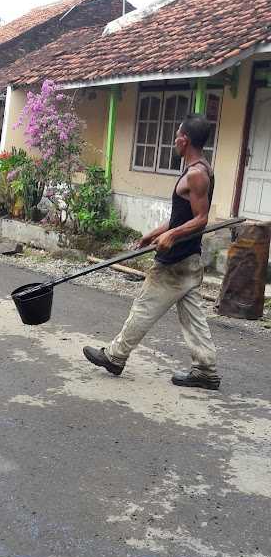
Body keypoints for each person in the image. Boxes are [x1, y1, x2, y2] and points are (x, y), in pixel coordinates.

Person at [83, 113, 220, 391]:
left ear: (184, 140)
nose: (174, 141)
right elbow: (182, 216)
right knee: (192, 314)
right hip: (189, 258)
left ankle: (115, 357)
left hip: (175, 261)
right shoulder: (201, 167)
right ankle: (206, 370)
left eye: (177, 136)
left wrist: (171, 235)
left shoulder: (195, 175)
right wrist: (156, 232)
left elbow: (201, 218)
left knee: (144, 306)